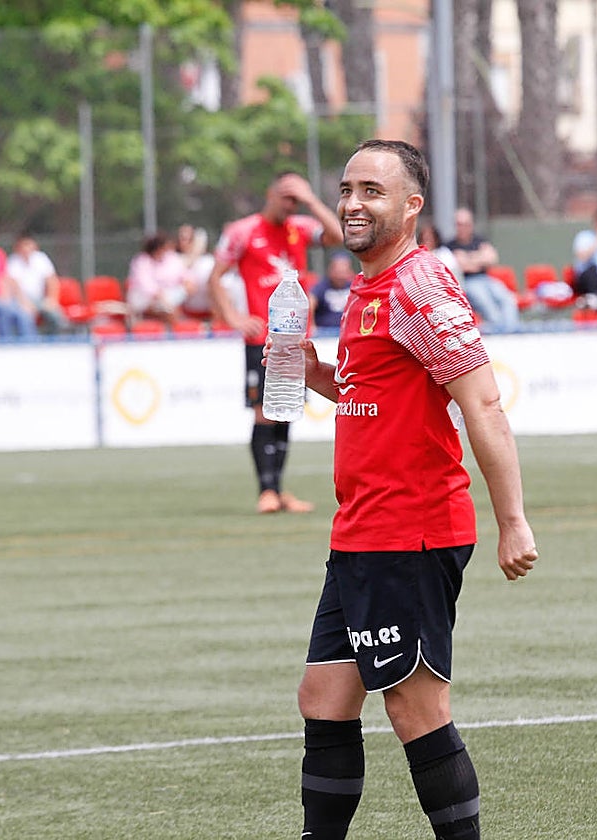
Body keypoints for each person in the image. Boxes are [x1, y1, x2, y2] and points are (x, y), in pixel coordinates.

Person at [287, 139, 538, 840]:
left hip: (411, 530)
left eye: (372, 191)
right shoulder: (367, 286)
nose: (352, 203)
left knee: (415, 708)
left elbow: (482, 404)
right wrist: (317, 376)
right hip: (361, 530)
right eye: (347, 189)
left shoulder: (419, 285)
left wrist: (512, 520)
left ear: (411, 206)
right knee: (325, 697)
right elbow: (377, 396)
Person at [207, 171, 342, 514]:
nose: (290, 204)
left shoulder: (298, 227)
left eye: (295, 199)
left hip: (294, 339)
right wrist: (234, 318)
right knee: (264, 412)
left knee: (285, 412)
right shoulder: (243, 232)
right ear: (270, 194)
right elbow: (216, 278)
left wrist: (311, 200)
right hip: (261, 339)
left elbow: (337, 236)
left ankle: (279, 492)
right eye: (286, 196)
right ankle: (266, 491)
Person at [447, 207, 520, 331]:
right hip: (467, 282)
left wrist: (468, 258)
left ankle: (511, 331)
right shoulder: (449, 245)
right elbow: (461, 265)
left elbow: (491, 259)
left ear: (471, 225)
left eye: (465, 224)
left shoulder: (480, 240)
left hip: (486, 279)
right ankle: (499, 333)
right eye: (459, 224)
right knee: (487, 305)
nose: (462, 228)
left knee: (507, 299)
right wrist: (479, 257)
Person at [127, 230, 195, 325]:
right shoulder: (141, 261)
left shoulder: (171, 258)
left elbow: (184, 274)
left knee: (170, 306)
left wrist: (188, 282)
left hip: (169, 296)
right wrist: (165, 301)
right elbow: (147, 287)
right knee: (168, 310)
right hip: (144, 298)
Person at [6, 232, 68, 334]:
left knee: (55, 316)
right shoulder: (13, 262)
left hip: (40, 299)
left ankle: (56, 343)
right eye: (23, 245)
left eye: (29, 244)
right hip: (21, 301)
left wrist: (52, 299)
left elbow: (52, 281)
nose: (26, 248)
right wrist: (25, 304)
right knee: (25, 317)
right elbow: (13, 287)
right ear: (17, 247)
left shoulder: (41, 259)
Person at [309, 250, 355, 329]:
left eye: (343, 272)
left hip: (348, 330)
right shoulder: (322, 286)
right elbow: (311, 301)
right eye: (338, 272)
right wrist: (312, 326)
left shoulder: (354, 287)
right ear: (330, 270)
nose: (340, 276)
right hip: (325, 331)